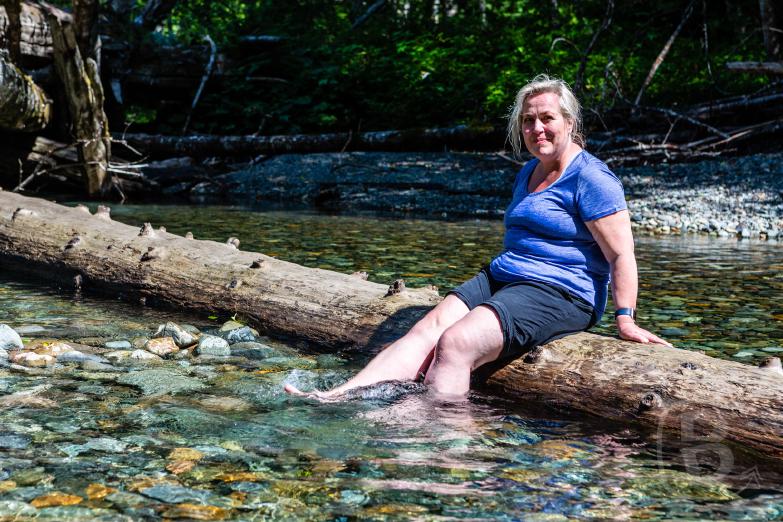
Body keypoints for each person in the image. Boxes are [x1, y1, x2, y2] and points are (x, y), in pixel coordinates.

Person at [285, 74, 671, 400]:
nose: (537, 129)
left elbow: (621, 255)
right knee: (427, 329)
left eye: (547, 118)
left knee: (457, 344)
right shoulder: (530, 171)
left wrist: (625, 320)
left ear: (570, 122)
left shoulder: (593, 179)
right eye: (528, 121)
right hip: (508, 276)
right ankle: (340, 396)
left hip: (562, 291)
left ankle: (444, 441)